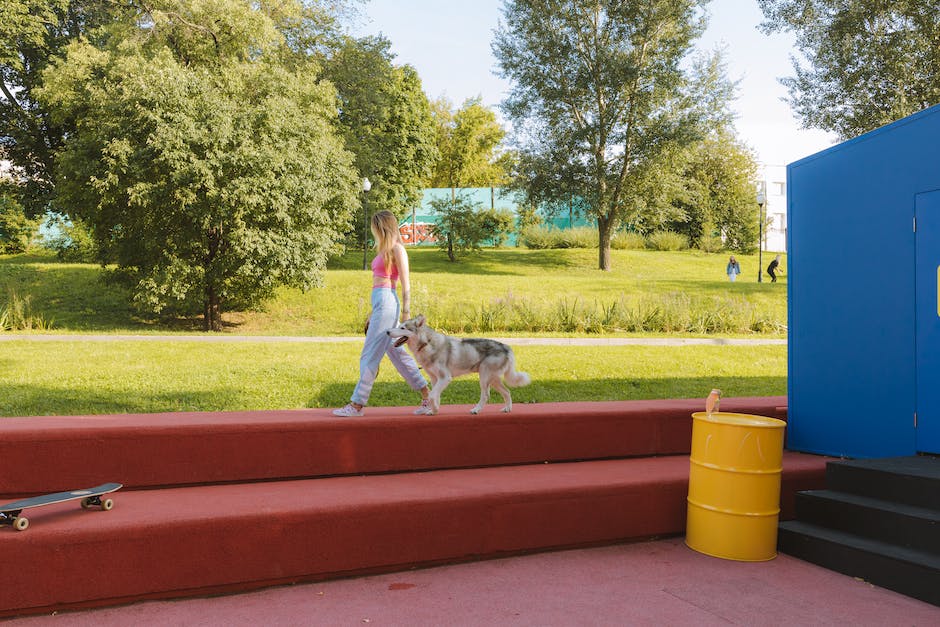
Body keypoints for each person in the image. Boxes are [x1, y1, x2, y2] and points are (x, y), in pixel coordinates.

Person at [333, 210, 431, 417]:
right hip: (381, 303)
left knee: (369, 354)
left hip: (388, 301)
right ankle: (427, 398)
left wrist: (406, 313)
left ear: (382, 227)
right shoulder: (384, 250)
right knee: (398, 354)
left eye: (376, 227)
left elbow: (406, 283)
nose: (374, 231)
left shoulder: (397, 249)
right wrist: (372, 313)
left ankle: (357, 404)